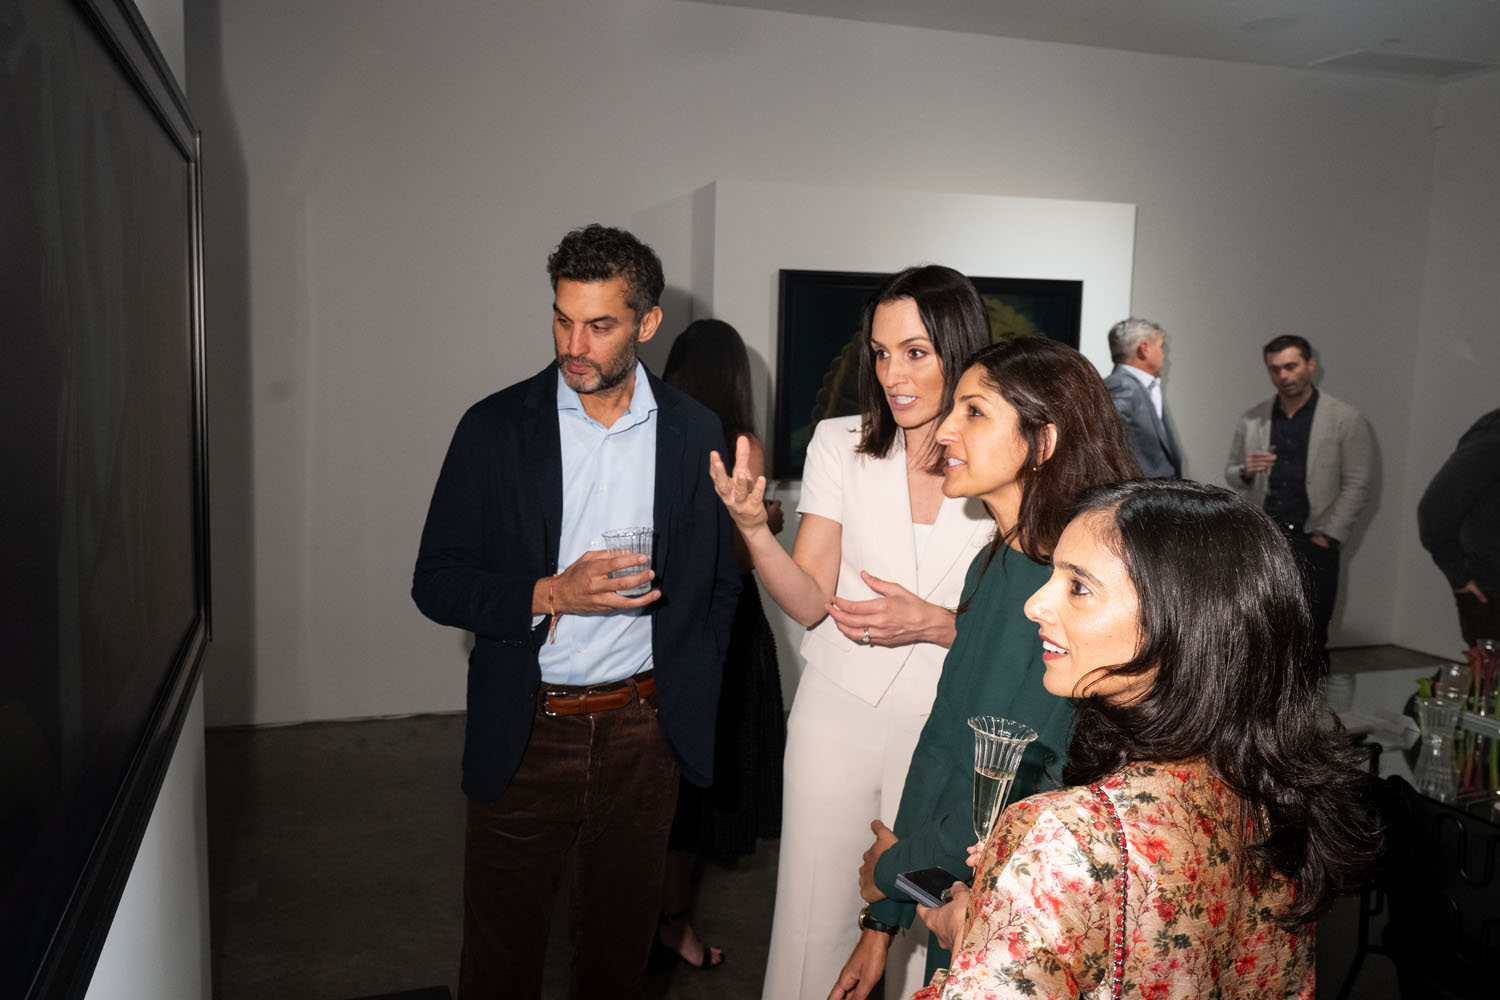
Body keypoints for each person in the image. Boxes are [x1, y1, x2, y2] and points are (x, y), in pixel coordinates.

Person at [411, 224, 739, 999]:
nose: (574, 343)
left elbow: (719, 584)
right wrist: (549, 593)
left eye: (599, 325)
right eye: (562, 318)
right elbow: (435, 581)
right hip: (528, 731)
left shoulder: (694, 432)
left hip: (642, 738)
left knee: (616, 960)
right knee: (499, 959)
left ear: (647, 323)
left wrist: (685, 681)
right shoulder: (493, 429)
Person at [912, 479, 1378, 999]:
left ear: (1180, 620)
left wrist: (970, 934)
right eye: (1053, 577)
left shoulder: (1068, 835)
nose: (1035, 605)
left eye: (1079, 587)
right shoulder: (1269, 797)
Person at [711, 265, 994, 1000]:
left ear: (960, 352)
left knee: (920, 917)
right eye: (879, 352)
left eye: (915, 352)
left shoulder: (999, 458)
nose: (893, 375)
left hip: (943, 726)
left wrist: (934, 623)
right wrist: (753, 531)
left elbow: (1014, 631)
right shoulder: (841, 444)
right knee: (813, 920)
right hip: (835, 714)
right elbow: (807, 601)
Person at [829, 338, 1141, 999]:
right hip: (967, 898)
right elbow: (944, 746)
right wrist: (881, 921)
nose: (943, 429)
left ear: (1042, 441)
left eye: (973, 412)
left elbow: (1017, 796)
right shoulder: (992, 564)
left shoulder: (1070, 597)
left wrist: (892, 872)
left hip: (1028, 918)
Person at [653, 318, 788, 970]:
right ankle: (674, 926)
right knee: (697, 794)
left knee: (656, 784)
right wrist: (768, 524)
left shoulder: (651, 433)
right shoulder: (740, 445)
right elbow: (737, 558)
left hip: (657, 624)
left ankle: (639, 918)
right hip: (724, 629)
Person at [1224, 334, 1374, 667]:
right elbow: (1232, 473)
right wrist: (1245, 470)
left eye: (1291, 367)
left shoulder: (1344, 418)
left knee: (1311, 636)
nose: (1284, 376)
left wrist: (1328, 536)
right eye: (1274, 369)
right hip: (1266, 541)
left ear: (1310, 364)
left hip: (1314, 542)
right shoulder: (1254, 418)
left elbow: (1358, 483)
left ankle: (1312, 717)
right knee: (1260, 633)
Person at [1418, 406, 1500, 646]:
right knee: (1487, 679)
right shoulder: (1495, 431)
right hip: (1492, 593)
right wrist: (1458, 575)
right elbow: (1435, 510)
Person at [1102, 317, 1181, 478]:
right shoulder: (1123, 386)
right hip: (1142, 495)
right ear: (1144, 349)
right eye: (1160, 347)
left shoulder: (1139, 386)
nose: (1164, 356)